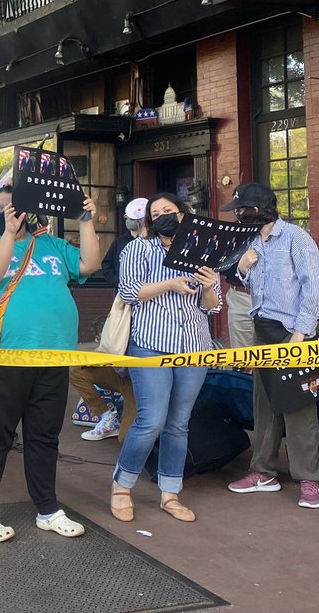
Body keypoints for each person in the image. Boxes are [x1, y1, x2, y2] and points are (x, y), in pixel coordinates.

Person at [0, 184, 101, 544]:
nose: (6, 211)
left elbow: (90, 264)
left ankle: (47, 508)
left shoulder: (52, 245)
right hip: (7, 358)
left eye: (13, 206)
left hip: (54, 358)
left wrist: (86, 222)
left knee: (44, 437)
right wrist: (7, 235)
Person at [109, 193, 220, 524]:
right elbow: (128, 292)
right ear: (148, 221)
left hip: (194, 346)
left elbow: (211, 305)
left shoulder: (200, 250)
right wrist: (169, 283)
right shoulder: (137, 250)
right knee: (151, 419)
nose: (162, 217)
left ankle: (170, 493)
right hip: (150, 343)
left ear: (183, 215)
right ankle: (121, 485)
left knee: (179, 422)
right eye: (155, 214)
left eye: (168, 211)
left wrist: (211, 284)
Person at [224, 182, 319, 509]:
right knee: (265, 401)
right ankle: (263, 471)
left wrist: (301, 333)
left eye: (241, 211)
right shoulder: (248, 241)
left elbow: (317, 287)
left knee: (299, 405)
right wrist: (242, 268)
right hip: (263, 329)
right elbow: (241, 278)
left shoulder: (295, 238)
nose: (237, 216)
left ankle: (309, 478)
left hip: (293, 330)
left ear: (257, 211)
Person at [72, 197, 146, 439]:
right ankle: (106, 415)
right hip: (119, 362)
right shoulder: (122, 242)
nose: (127, 221)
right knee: (74, 368)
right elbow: (104, 265)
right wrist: (120, 285)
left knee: (128, 439)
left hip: (144, 373)